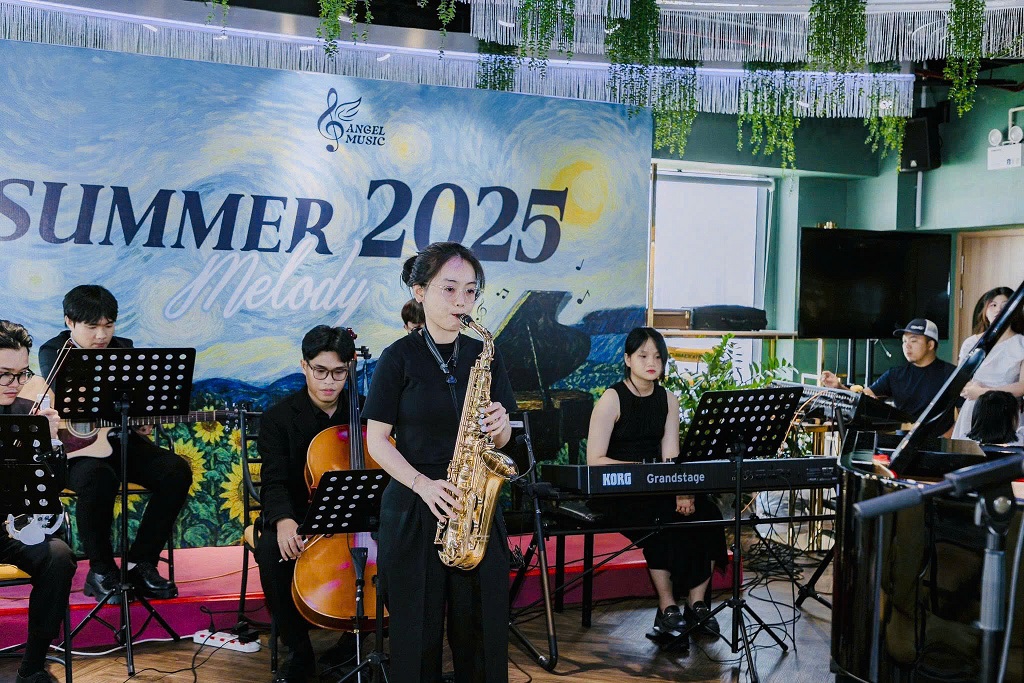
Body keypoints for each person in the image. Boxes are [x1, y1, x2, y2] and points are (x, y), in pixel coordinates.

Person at [363, 242, 516, 683]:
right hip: (416, 506)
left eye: (470, 291)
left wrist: (501, 424)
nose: (461, 301)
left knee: (483, 637)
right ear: (420, 292)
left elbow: (503, 439)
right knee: (416, 639)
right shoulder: (398, 357)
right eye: (449, 289)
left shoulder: (484, 354)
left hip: (474, 507)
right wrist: (422, 485)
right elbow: (377, 441)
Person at [37, 285, 191, 604]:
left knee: (175, 470)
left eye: (108, 326)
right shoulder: (53, 351)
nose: (101, 335)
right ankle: (101, 571)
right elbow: (70, 401)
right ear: (69, 322)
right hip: (76, 450)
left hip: (121, 441)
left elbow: (138, 401)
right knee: (98, 478)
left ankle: (140, 563)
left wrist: (142, 417)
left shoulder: (124, 349)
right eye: (92, 326)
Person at [586, 327, 727, 640]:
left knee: (707, 513)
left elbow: (671, 457)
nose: (651, 362)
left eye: (658, 357)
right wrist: (642, 471)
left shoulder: (668, 400)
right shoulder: (611, 398)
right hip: (618, 490)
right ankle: (667, 608)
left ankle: (697, 604)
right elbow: (594, 460)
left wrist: (683, 492)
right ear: (627, 359)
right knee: (661, 520)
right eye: (643, 356)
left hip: (657, 486)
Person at [253, 325, 357, 683]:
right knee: (271, 549)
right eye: (320, 371)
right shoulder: (278, 418)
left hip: (355, 517)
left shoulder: (364, 413)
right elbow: (274, 481)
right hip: (300, 515)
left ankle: (354, 643)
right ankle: (299, 651)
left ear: (349, 368)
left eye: (339, 372)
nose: (329, 382)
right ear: (304, 366)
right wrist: (284, 521)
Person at [0, 320, 77, 683]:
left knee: (59, 557)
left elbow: (54, 487)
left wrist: (53, 442)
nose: (15, 384)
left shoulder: (27, 412)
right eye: (4, 374)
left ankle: (32, 667)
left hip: (12, 528)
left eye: (22, 374)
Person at [821, 318, 956, 434]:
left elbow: (963, 415)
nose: (907, 346)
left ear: (930, 345)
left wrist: (949, 439)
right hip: (901, 443)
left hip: (940, 446)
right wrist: (839, 386)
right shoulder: (895, 374)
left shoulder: (951, 374)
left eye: (913, 341)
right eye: (904, 341)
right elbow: (863, 399)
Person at [952, 287, 1024, 439]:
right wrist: (973, 391)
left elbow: (1022, 387)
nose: (998, 309)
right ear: (985, 311)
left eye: (1005, 305)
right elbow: (961, 382)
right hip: (974, 410)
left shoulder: (1021, 343)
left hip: (1006, 411)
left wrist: (984, 392)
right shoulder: (971, 343)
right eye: (993, 305)